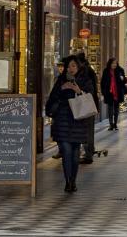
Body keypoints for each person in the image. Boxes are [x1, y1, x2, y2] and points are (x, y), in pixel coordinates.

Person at [45, 55, 95, 193]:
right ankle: (67, 181)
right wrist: (62, 89)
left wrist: (78, 91)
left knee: (75, 152)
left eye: (73, 66)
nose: (70, 69)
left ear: (79, 67)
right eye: (69, 66)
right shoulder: (61, 80)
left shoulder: (85, 80)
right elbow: (51, 99)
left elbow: (91, 98)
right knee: (66, 151)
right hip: (62, 120)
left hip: (78, 121)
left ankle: (73, 180)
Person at [75, 51, 100, 163]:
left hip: (86, 104)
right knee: (88, 129)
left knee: (86, 130)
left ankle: (88, 154)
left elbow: (89, 89)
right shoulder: (89, 70)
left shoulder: (84, 72)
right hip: (90, 103)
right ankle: (89, 151)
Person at [101, 57, 127, 130]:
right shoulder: (106, 71)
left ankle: (115, 123)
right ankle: (111, 124)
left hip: (118, 92)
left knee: (116, 108)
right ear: (110, 64)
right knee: (110, 108)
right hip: (109, 92)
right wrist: (103, 91)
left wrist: (123, 79)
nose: (114, 65)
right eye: (113, 63)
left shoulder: (120, 70)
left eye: (115, 63)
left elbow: (125, 81)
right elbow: (103, 82)